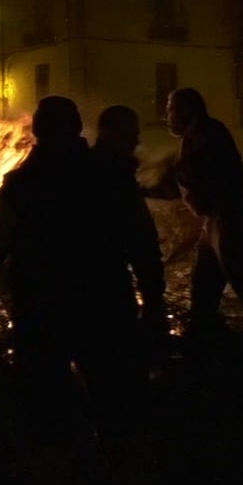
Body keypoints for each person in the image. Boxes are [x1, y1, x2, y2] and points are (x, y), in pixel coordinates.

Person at [0, 96, 150, 447]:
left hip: (42, 310)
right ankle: (121, 482)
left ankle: (64, 481)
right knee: (115, 402)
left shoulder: (21, 185)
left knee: (50, 410)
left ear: (38, 132)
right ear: (75, 129)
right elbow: (141, 241)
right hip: (104, 305)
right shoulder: (109, 174)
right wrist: (153, 298)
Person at [162, 87, 243, 355]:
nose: (167, 115)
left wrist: (170, 175)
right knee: (205, 279)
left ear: (186, 110)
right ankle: (201, 335)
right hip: (217, 217)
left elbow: (202, 173)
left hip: (228, 214)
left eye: (171, 108)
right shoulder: (197, 134)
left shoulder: (207, 133)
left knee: (241, 276)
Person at [91, 105, 168, 355]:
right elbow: (141, 242)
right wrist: (154, 299)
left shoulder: (86, 170)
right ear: (112, 134)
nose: (137, 141)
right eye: (131, 134)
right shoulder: (116, 178)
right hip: (109, 289)